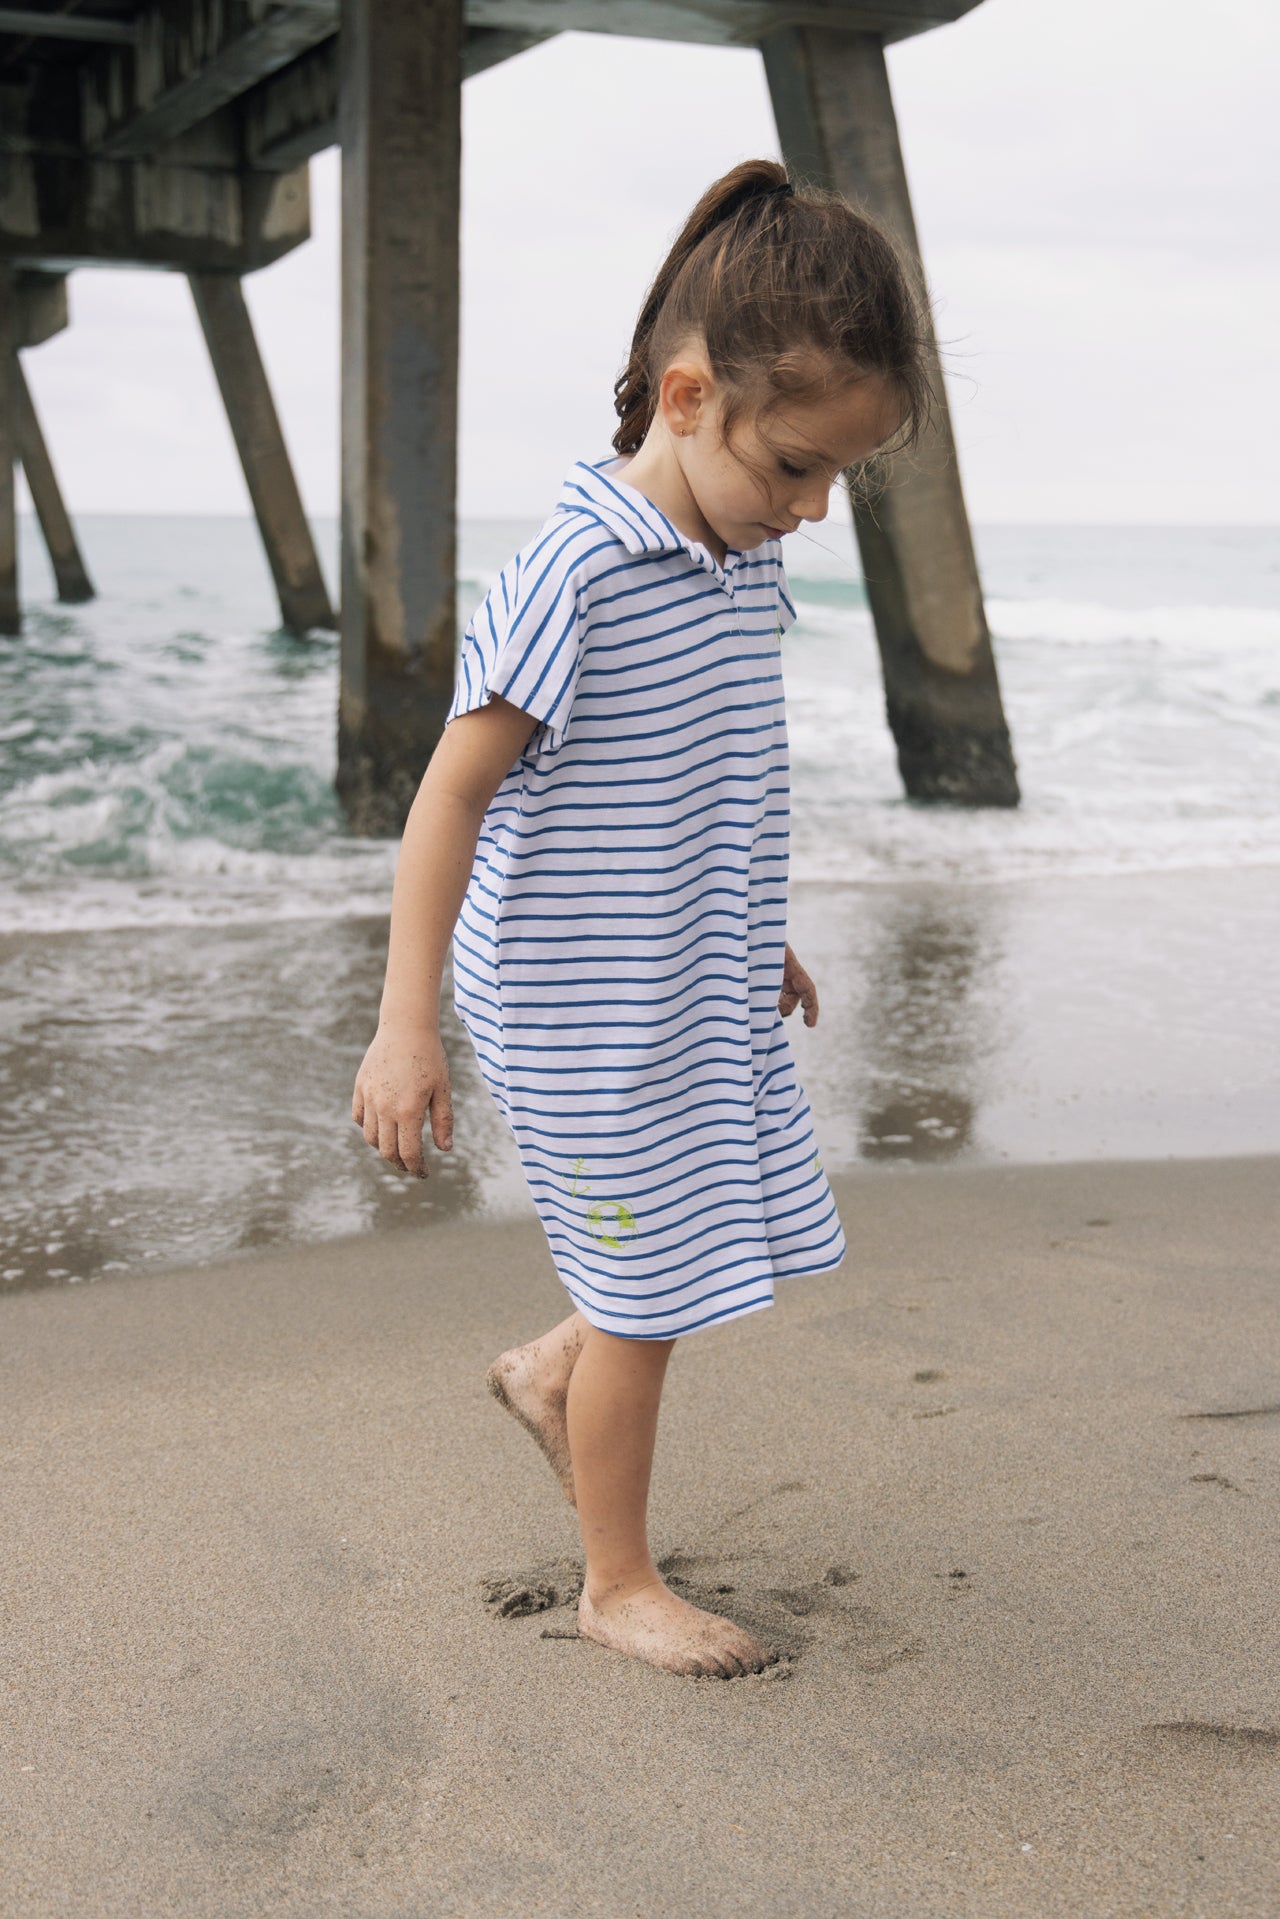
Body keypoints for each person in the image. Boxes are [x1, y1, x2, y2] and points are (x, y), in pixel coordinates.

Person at [353, 158, 932, 1679]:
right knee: (646, 1294)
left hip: (682, 971)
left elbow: (700, 771)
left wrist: (754, 927)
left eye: (835, 480)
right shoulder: (577, 573)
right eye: (796, 466)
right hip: (574, 1005)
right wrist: (406, 1024)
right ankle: (614, 1583)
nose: (810, 507)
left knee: (697, 1238)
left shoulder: (737, 559)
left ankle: (552, 1372)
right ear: (687, 398)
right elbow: (448, 800)